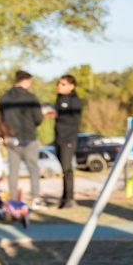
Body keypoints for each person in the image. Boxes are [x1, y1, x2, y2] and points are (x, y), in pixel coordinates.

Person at [0, 70, 44, 208]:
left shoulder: (4, 97)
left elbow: (1, 119)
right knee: (33, 170)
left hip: (11, 140)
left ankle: (13, 201)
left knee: (13, 172)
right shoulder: (31, 97)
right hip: (29, 138)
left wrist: (5, 134)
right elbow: (38, 118)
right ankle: (36, 199)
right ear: (26, 81)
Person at [53, 75, 81, 209]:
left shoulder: (75, 101)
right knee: (63, 169)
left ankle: (70, 198)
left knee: (67, 169)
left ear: (71, 86)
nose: (59, 86)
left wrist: (58, 115)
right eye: (59, 83)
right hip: (58, 138)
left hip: (68, 139)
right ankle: (64, 198)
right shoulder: (59, 99)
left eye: (63, 84)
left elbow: (74, 120)